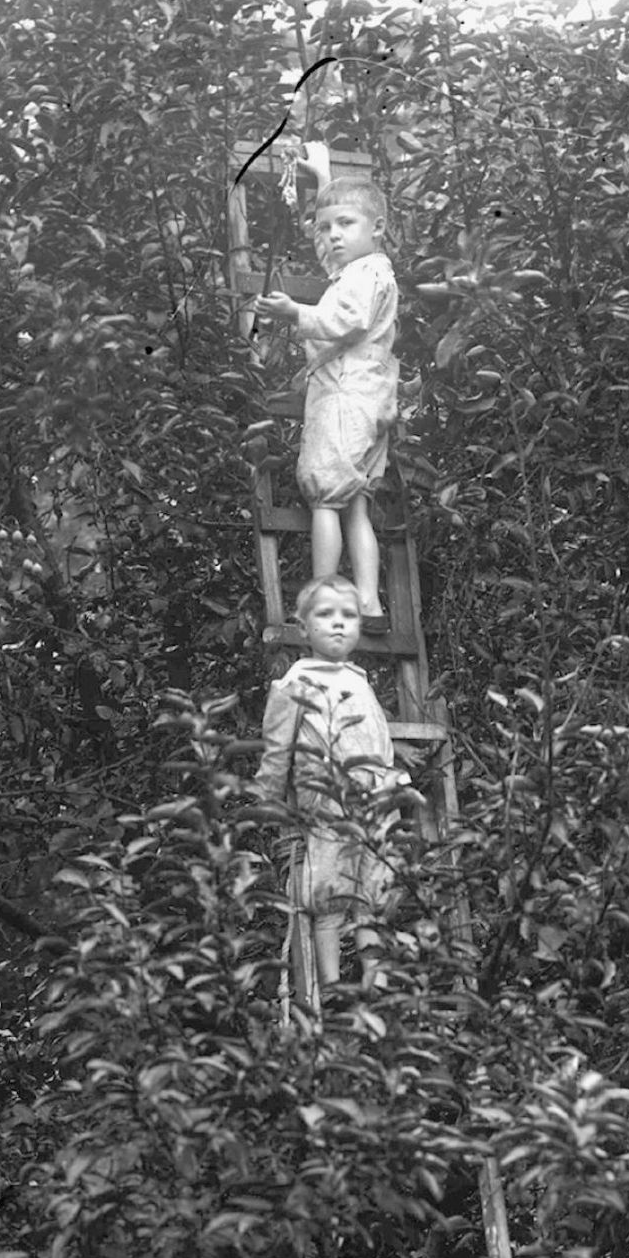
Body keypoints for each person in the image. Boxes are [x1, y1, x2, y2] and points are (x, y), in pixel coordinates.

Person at [253, 575, 411, 990]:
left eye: (349, 616)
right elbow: (276, 749)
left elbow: (374, 740)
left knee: (374, 892)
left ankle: (374, 984)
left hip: (376, 800)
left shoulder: (359, 680)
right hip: (329, 802)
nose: (339, 624)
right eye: (326, 615)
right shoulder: (295, 683)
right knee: (329, 892)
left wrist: (393, 782)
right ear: (304, 628)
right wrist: (267, 801)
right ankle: (332, 983)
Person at [254, 179, 398, 620]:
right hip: (366, 392)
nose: (332, 235)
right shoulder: (360, 269)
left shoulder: (367, 273)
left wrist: (295, 313)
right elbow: (329, 244)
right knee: (354, 503)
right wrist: (319, 178)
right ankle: (368, 600)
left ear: (377, 229)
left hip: (346, 395)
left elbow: (346, 320)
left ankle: (322, 598)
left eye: (345, 224)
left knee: (323, 497)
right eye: (324, 227)